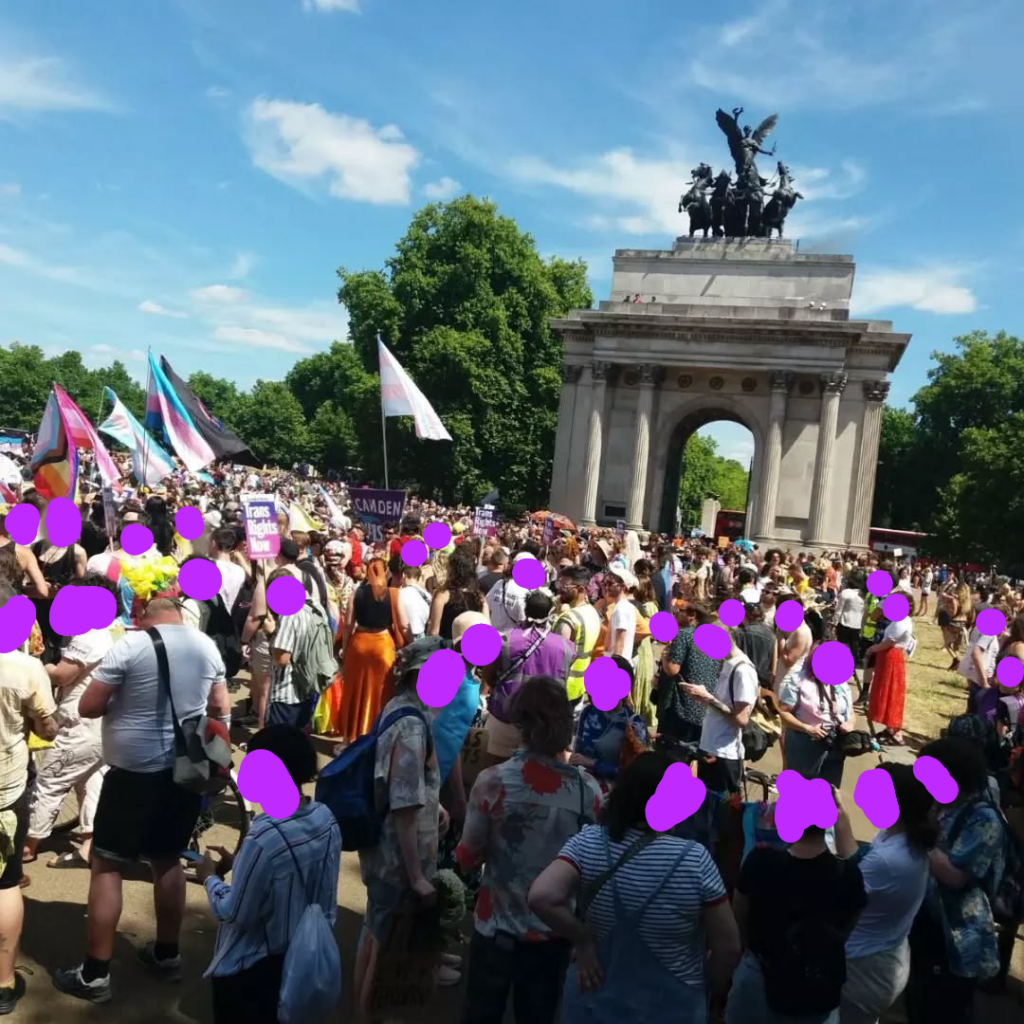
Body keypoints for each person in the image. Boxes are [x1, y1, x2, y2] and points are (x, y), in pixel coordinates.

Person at [53, 597, 232, 1003]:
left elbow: (88, 705)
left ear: (141, 618)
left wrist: (124, 702)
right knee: (167, 859)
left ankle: (95, 974)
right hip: (184, 773)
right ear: (179, 616)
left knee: (107, 865)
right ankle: (167, 954)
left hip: (132, 775)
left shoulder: (130, 646)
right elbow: (220, 706)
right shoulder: (205, 645)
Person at [528, 751, 741, 1023]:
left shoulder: (589, 841)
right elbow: (728, 947)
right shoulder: (694, 859)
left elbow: (541, 897)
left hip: (592, 1000)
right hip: (671, 1008)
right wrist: (708, 988)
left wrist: (582, 940)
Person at [457, 676, 602, 1024]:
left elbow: (467, 856)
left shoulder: (494, 781)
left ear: (519, 722)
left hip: (495, 927)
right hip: (554, 934)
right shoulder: (586, 790)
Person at [199, 726, 341, 1024]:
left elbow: (235, 913)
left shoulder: (263, 838)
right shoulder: (325, 818)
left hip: (254, 973)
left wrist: (210, 878)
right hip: (304, 959)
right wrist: (241, 865)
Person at [354, 639, 449, 1017]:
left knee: (374, 935)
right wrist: (417, 877)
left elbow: (404, 784)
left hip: (386, 852)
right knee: (384, 952)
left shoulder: (400, 708)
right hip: (396, 861)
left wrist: (435, 804)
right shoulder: (411, 725)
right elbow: (404, 805)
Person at [726, 789, 866, 1024]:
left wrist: (749, 949)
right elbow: (848, 926)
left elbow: (738, 917)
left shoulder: (760, 862)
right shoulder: (849, 874)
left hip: (760, 977)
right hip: (818, 983)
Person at [906, 737, 1006, 1024]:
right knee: (918, 1002)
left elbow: (955, 876)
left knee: (944, 1009)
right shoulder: (941, 804)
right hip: (924, 923)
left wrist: (921, 836)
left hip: (956, 934)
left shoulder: (983, 819)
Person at [24, 574, 118, 869]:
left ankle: (27, 845)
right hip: (102, 723)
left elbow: (64, 675)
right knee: (90, 782)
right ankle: (90, 845)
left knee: (50, 780)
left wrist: (39, 667)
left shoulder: (89, 637)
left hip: (81, 724)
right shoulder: (110, 631)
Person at [837, 764, 936, 1024]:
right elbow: (855, 862)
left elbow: (842, 889)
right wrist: (839, 815)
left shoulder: (889, 860)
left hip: (862, 972)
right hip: (884, 957)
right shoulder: (902, 836)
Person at [0, 581, 58, 1012]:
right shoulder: (24, 668)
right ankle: (3, 982)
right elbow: (48, 726)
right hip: (6, 790)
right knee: (5, 883)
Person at [486, 591, 574, 765]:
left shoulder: (504, 640)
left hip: (505, 717)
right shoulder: (566, 647)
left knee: (496, 770)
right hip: (544, 724)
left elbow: (489, 676)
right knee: (540, 773)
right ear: (550, 613)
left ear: (525, 611)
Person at [338, 558, 410, 742]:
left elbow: (348, 624)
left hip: (359, 645)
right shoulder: (394, 593)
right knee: (381, 692)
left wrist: (345, 648)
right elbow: (403, 624)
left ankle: (350, 738)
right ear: (385, 572)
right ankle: (377, 735)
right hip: (383, 646)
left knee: (355, 692)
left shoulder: (357, 592)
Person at [685, 626, 758, 795]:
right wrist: (705, 698)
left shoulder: (743, 670)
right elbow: (724, 704)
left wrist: (708, 698)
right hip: (711, 746)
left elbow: (741, 719)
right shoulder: (728, 663)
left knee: (719, 806)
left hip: (725, 755)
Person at [777, 654, 856, 788]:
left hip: (835, 746)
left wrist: (850, 724)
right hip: (804, 746)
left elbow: (851, 712)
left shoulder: (841, 683)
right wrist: (807, 728)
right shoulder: (798, 680)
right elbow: (783, 713)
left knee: (830, 792)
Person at [572, 656, 649, 787]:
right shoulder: (588, 711)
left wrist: (594, 764)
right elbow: (577, 753)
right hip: (581, 787)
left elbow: (636, 771)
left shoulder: (634, 724)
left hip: (613, 792)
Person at [656, 603, 721, 746]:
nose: (676, 612)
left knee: (671, 750)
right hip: (704, 706)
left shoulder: (684, 635)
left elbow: (672, 669)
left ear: (692, 615)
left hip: (681, 707)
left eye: (681, 610)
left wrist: (665, 657)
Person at [265, 567, 319, 730]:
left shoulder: (289, 613)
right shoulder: (312, 606)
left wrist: (271, 633)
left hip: (287, 693)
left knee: (279, 741)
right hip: (307, 688)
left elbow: (282, 659)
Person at [553, 566, 602, 714]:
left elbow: (556, 656)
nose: (560, 590)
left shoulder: (569, 619)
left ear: (580, 589)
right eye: (559, 584)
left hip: (562, 687)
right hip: (579, 686)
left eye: (565, 587)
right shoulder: (592, 612)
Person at [865, 606, 915, 746]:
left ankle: (895, 731)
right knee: (886, 691)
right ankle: (890, 728)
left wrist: (872, 649)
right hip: (888, 657)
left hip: (891, 657)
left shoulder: (901, 622)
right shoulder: (901, 620)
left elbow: (890, 642)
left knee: (891, 692)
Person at [428, 546, 487, 641]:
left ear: (452, 570)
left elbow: (434, 632)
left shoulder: (443, 595)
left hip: (448, 645)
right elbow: (486, 625)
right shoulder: (479, 596)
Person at [485, 551, 537, 634]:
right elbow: (524, 622)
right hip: (512, 639)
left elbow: (486, 605)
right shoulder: (525, 593)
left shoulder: (500, 584)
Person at [398, 563, 432, 640]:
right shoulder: (427, 595)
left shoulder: (400, 594)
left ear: (403, 575)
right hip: (422, 636)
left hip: (406, 637)